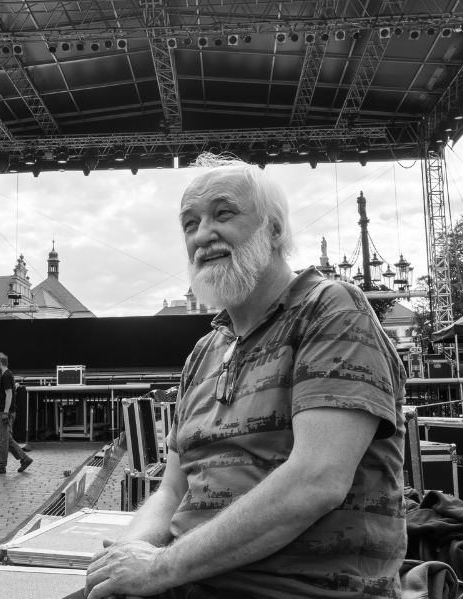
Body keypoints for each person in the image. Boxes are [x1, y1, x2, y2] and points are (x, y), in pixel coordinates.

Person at [85, 156, 408, 599]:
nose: (203, 234)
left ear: (274, 231)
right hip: (187, 581)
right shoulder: (204, 352)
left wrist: (158, 568)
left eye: (224, 214)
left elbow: (316, 480)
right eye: (189, 223)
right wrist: (127, 555)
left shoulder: (330, 309)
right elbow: (172, 489)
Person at [0, 352, 32, 475]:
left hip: (5, 412)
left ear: (0, 363)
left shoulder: (6, 376)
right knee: (7, 438)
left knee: (2, 440)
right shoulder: (7, 375)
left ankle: (1, 466)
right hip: (9, 411)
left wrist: (5, 413)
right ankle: (25, 459)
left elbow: (9, 394)